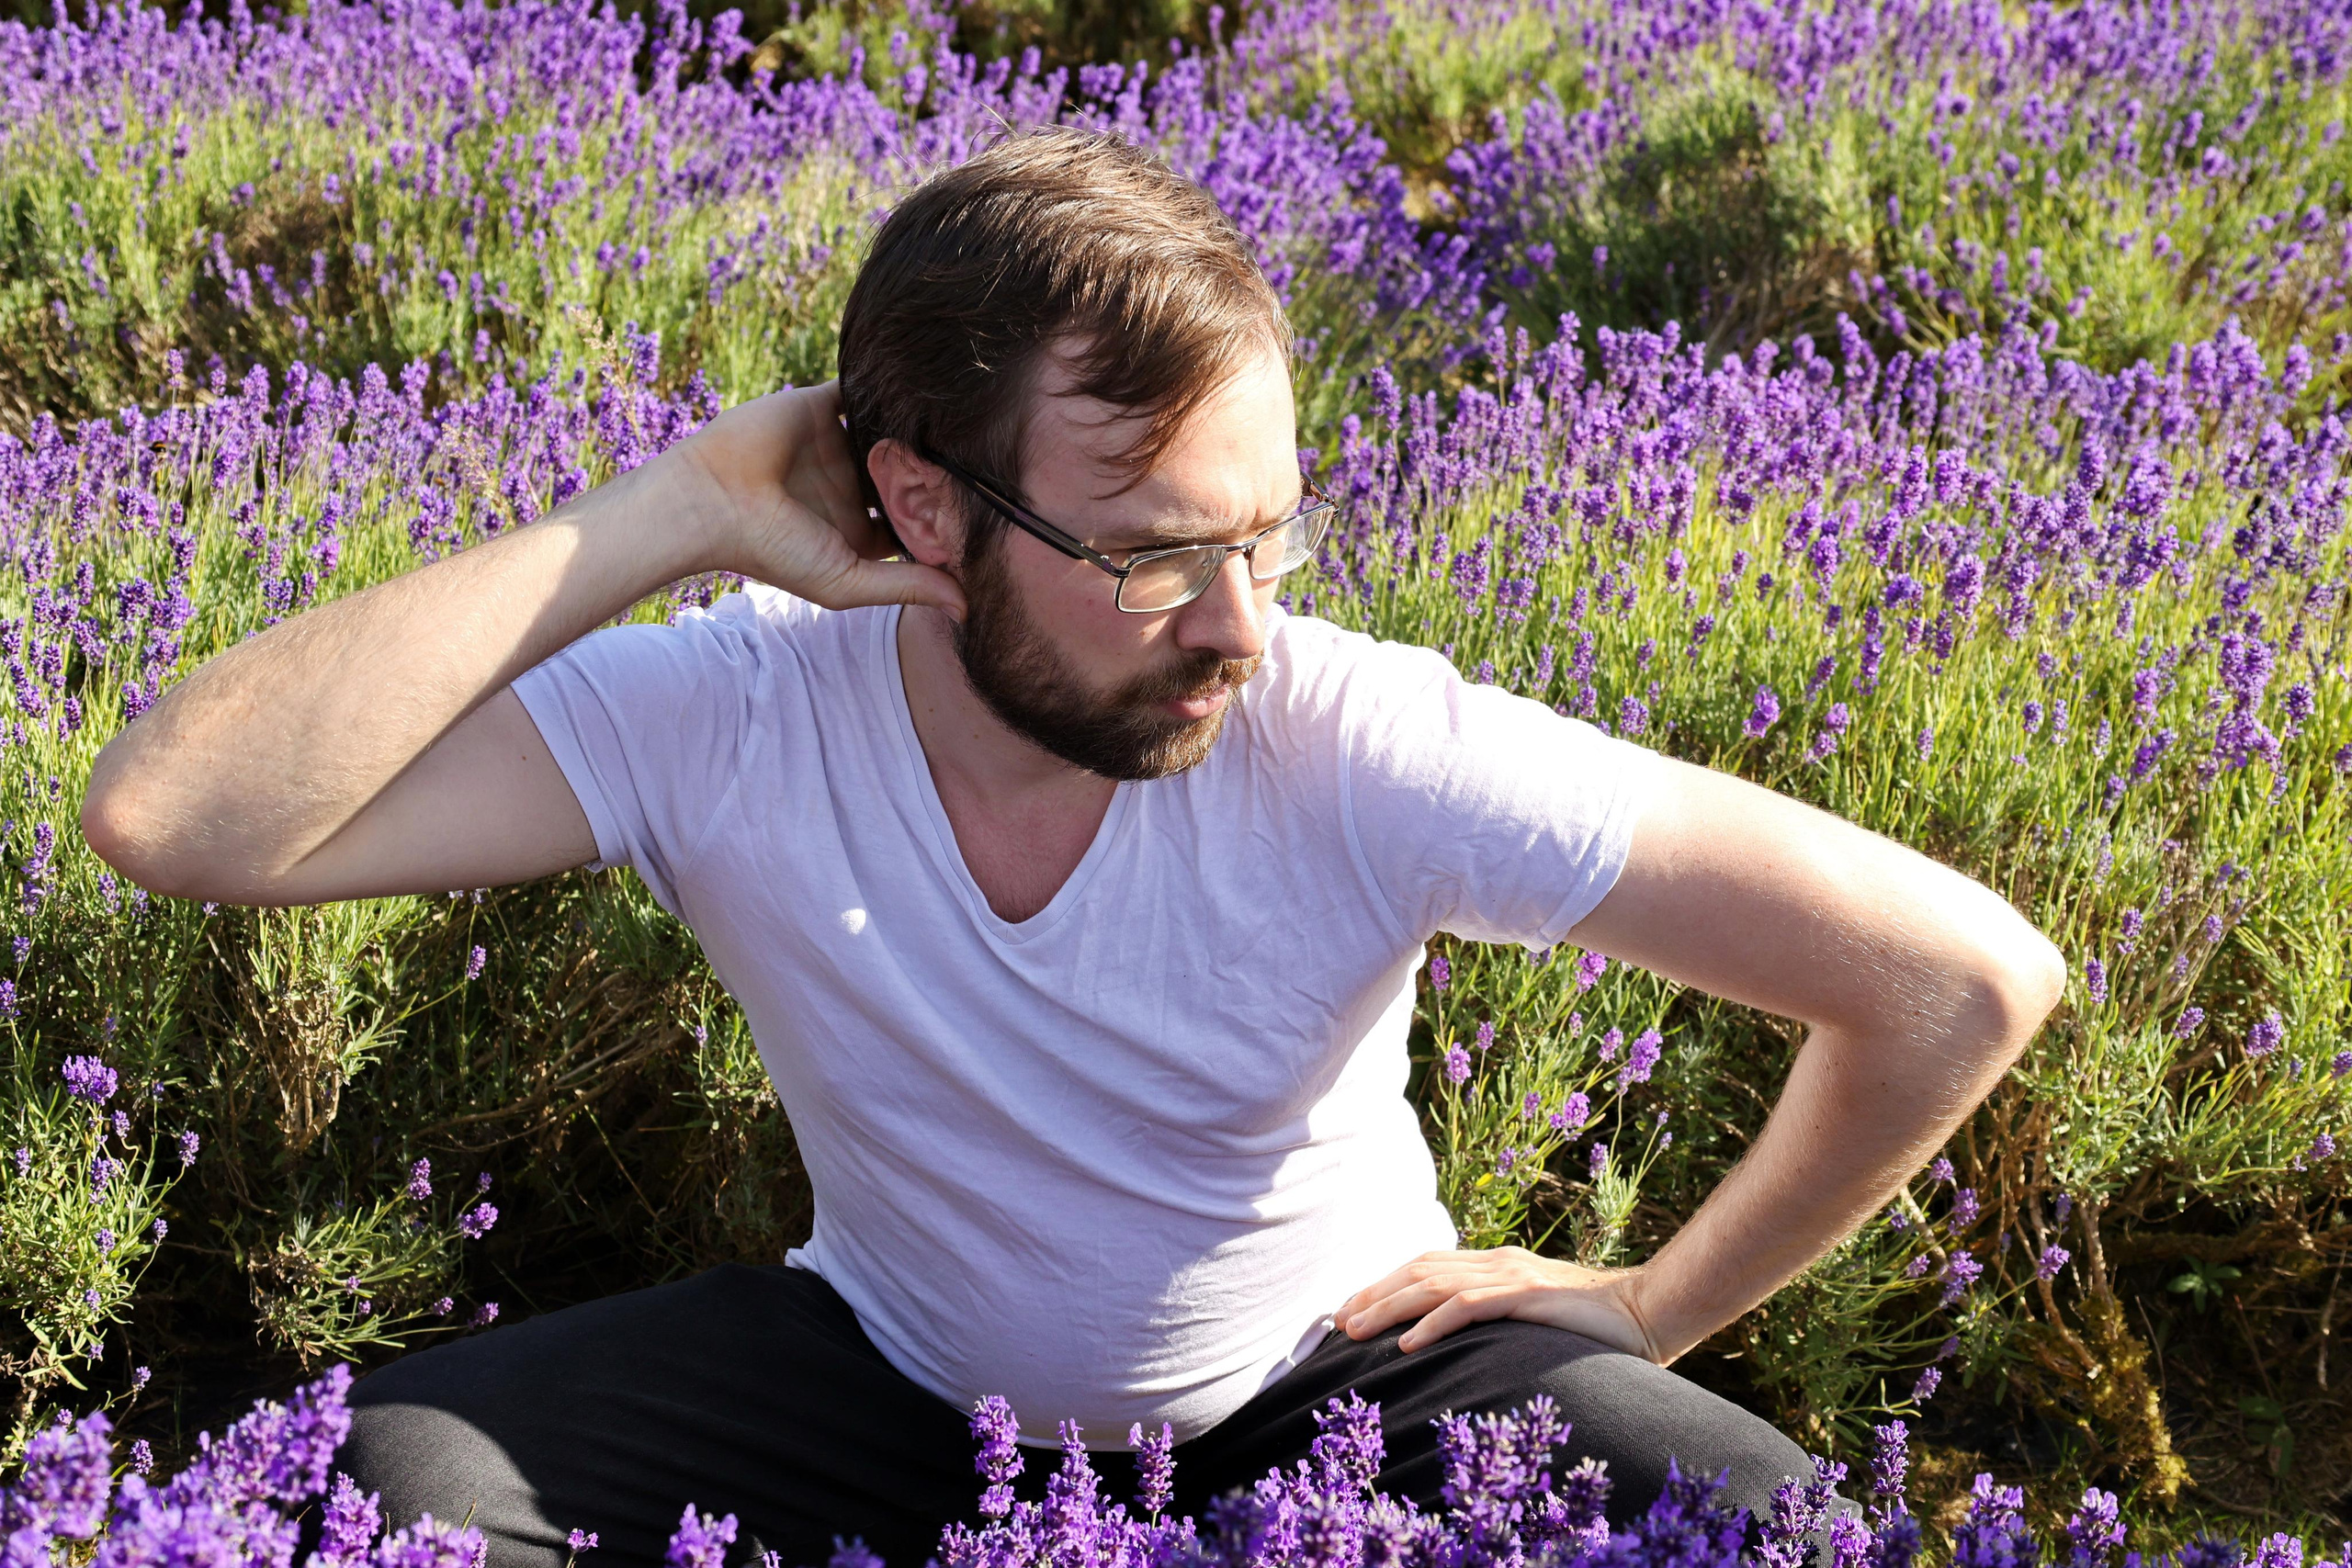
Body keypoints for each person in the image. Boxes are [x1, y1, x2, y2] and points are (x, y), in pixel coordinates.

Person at [80, 125, 2064, 1564]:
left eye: (1267, 533)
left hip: (1342, 1391)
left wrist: (1647, 1300)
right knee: (368, 1490)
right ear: (922, 513)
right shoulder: (742, 707)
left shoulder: (1349, 733)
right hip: (888, 1393)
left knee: (1777, 1534)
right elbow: (175, 815)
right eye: (1144, 552)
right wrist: (671, 507)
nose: (1235, 620)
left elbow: (1956, 978)